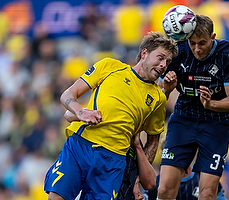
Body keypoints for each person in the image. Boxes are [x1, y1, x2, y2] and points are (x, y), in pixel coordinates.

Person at [43, 31, 178, 200]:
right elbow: (68, 94)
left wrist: (136, 179)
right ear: (144, 53)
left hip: (113, 159)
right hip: (80, 145)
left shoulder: (158, 98)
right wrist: (80, 112)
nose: (163, 65)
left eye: (168, 62)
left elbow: (152, 141)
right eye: (160, 57)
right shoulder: (110, 67)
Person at [157, 14, 229, 200]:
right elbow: (158, 94)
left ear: (213, 37)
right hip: (183, 118)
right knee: (164, 190)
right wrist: (167, 89)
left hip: (216, 123)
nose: (197, 49)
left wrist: (210, 104)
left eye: (202, 43)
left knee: (206, 194)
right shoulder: (178, 50)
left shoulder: (228, 54)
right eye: (192, 43)